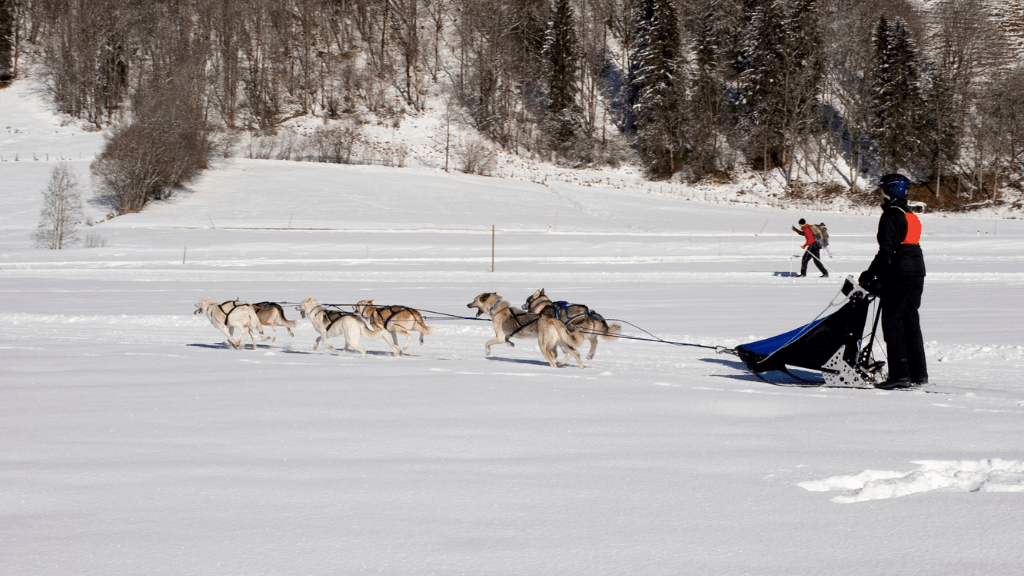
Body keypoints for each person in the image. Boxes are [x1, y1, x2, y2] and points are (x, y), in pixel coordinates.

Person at [858, 174, 929, 389]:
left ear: (890, 190)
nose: (881, 193)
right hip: (917, 271)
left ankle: (899, 376)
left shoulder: (891, 215)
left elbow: (886, 250)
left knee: (892, 323)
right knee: (911, 322)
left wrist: (870, 274)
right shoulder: (910, 214)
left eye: (883, 189)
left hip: (899, 272)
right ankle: (918, 373)